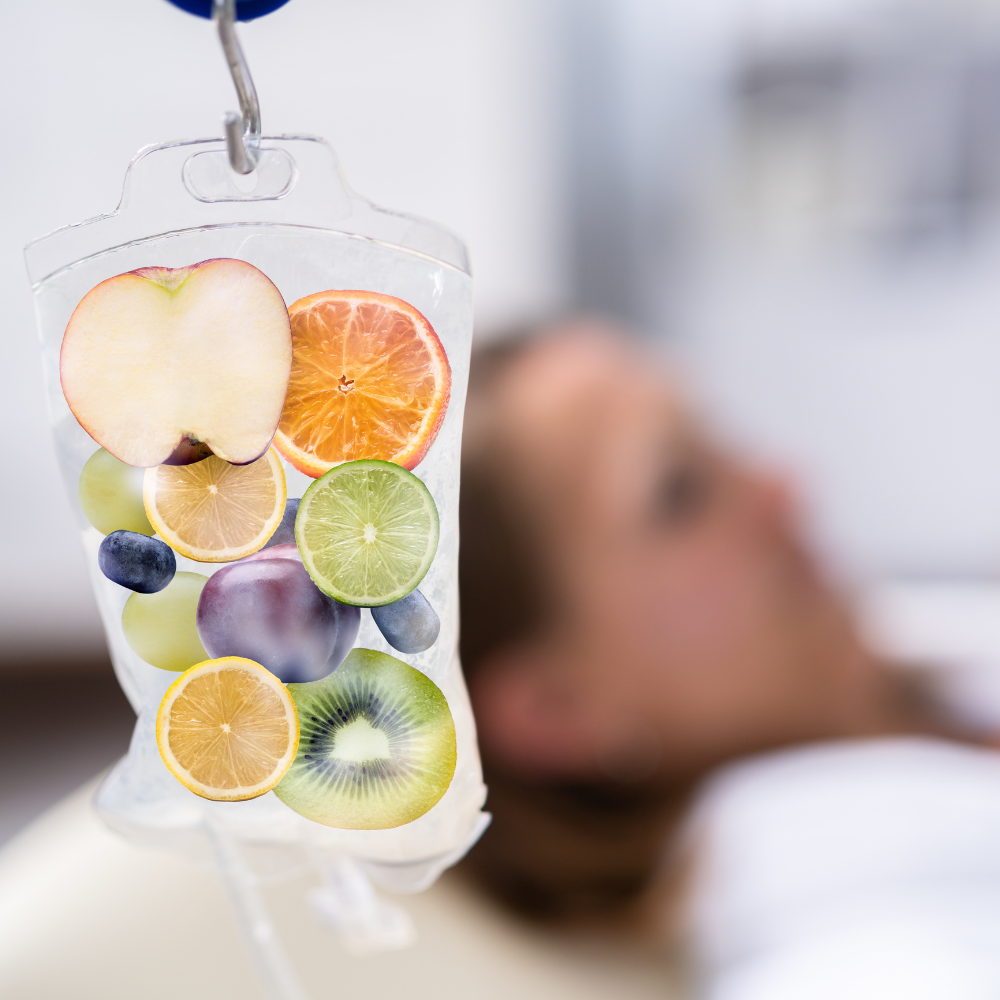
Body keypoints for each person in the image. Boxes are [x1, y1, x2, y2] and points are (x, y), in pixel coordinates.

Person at [457, 324, 1000, 997]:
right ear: (557, 710)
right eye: (680, 490)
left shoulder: (942, 675)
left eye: (716, 438)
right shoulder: (877, 969)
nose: (781, 487)